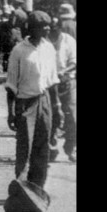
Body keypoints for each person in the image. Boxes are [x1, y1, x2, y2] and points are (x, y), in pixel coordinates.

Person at [5, 11, 61, 187]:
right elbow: (11, 85)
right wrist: (11, 112)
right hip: (24, 103)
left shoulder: (48, 48)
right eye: (43, 26)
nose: (47, 29)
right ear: (32, 28)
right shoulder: (19, 50)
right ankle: (21, 187)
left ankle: (38, 187)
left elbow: (53, 82)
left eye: (48, 26)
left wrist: (57, 106)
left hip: (44, 101)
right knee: (25, 148)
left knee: (42, 146)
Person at [47, 18, 77, 163]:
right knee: (51, 117)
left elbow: (74, 61)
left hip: (67, 82)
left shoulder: (68, 40)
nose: (53, 32)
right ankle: (52, 146)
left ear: (60, 28)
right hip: (49, 83)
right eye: (50, 29)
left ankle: (70, 148)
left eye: (55, 29)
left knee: (72, 116)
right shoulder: (44, 41)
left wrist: (64, 71)